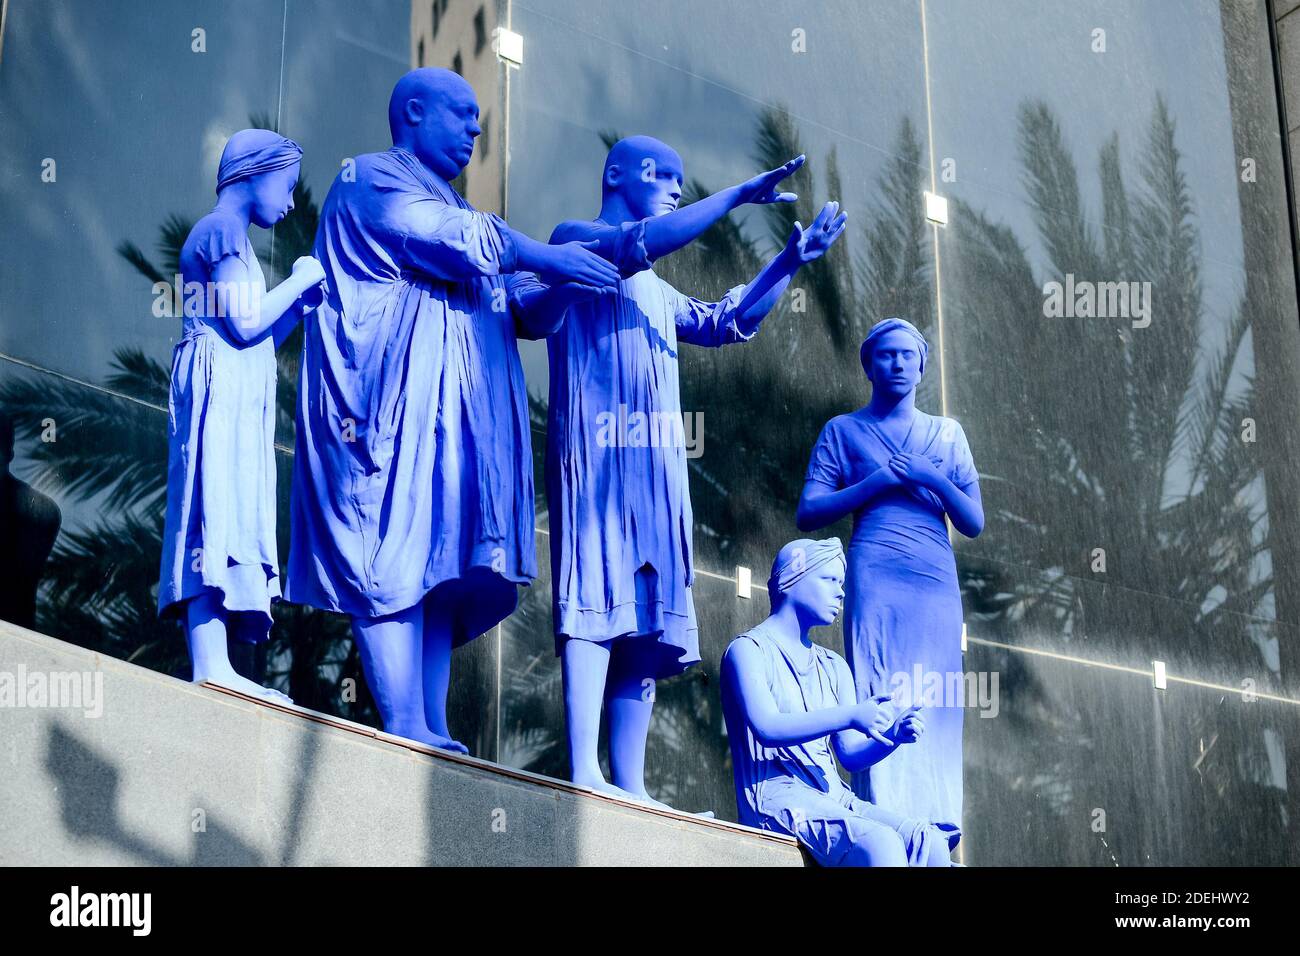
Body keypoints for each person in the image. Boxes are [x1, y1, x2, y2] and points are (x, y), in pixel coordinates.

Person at [287, 69, 619, 752]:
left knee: (438, 567)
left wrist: (563, 283)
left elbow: (520, 307)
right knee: (387, 554)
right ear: (413, 110)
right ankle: (404, 721)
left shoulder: (452, 207)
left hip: (450, 427)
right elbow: (453, 239)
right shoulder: (372, 179)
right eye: (463, 114)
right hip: (388, 416)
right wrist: (548, 255)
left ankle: (428, 723)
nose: (477, 130)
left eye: (479, 119)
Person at [512, 134, 846, 803]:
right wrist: (735, 197)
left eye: (680, 175)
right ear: (615, 175)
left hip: (659, 479)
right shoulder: (576, 241)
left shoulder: (658, 295)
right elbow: (638, 244)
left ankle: (629, 782)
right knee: (593, 602)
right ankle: (583, 768)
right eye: (658, 172)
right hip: (599, 464)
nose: (671, 183)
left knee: (647, 622)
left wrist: (787, 262)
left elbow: (727, 321)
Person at [159, 129, 326, 704]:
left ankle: (219, 661)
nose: (287, 200)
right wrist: (300, 280)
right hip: (215, 389)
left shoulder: (236, 240)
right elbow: (247, 322)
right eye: (285, 184)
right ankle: (208, 661)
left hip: (235, 387)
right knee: (212, 508)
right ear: (253, 174)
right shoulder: (220, 231)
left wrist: (296, 309)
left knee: (228, 509)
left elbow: (257, 334)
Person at [796, 318, 983, 825]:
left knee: (935, 695)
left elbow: (973, 521)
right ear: (868, 365)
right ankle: (887, 814)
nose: (897, 363)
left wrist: (932, 479)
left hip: (934, 582)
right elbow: (809, 509)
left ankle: (938, 821)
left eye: (907, 355)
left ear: (922, 366)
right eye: (886, 355)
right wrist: (875, 483)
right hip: (877, 576)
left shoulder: (947, 434)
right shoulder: (844, 430)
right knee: (880, 684)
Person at [720, 538, 959, 866]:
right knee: (881, 844)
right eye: (829, 580)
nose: (840, 592)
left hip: (835, 797)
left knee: (929, 841)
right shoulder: (748, 651)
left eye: (841, 583)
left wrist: (891, 738)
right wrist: (850, 715)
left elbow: (849, 756)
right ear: (794, 580)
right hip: (776, 798)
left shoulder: (833, 666)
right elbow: (767, 727)